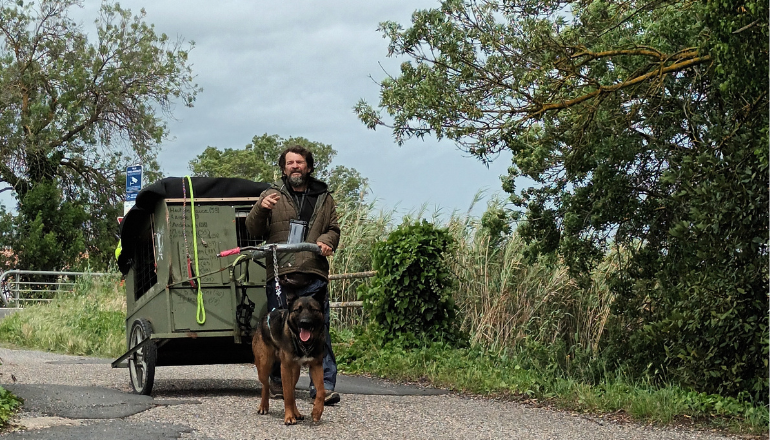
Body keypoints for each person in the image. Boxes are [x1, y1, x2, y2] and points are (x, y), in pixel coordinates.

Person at [245, 145, 341, 405]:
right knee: (279, 333)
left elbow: (333, 229)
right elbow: (253, 229)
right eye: (290, 163)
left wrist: (326, 239)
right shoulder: (271, 195)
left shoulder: (324, 197)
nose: (295, 166)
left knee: (321, 331)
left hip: (313, 272)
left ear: (308, 167)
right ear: (283, 168)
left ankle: (323, 388)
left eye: (300, 162)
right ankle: (277, 382)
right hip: (280, 275)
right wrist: (261, 208)